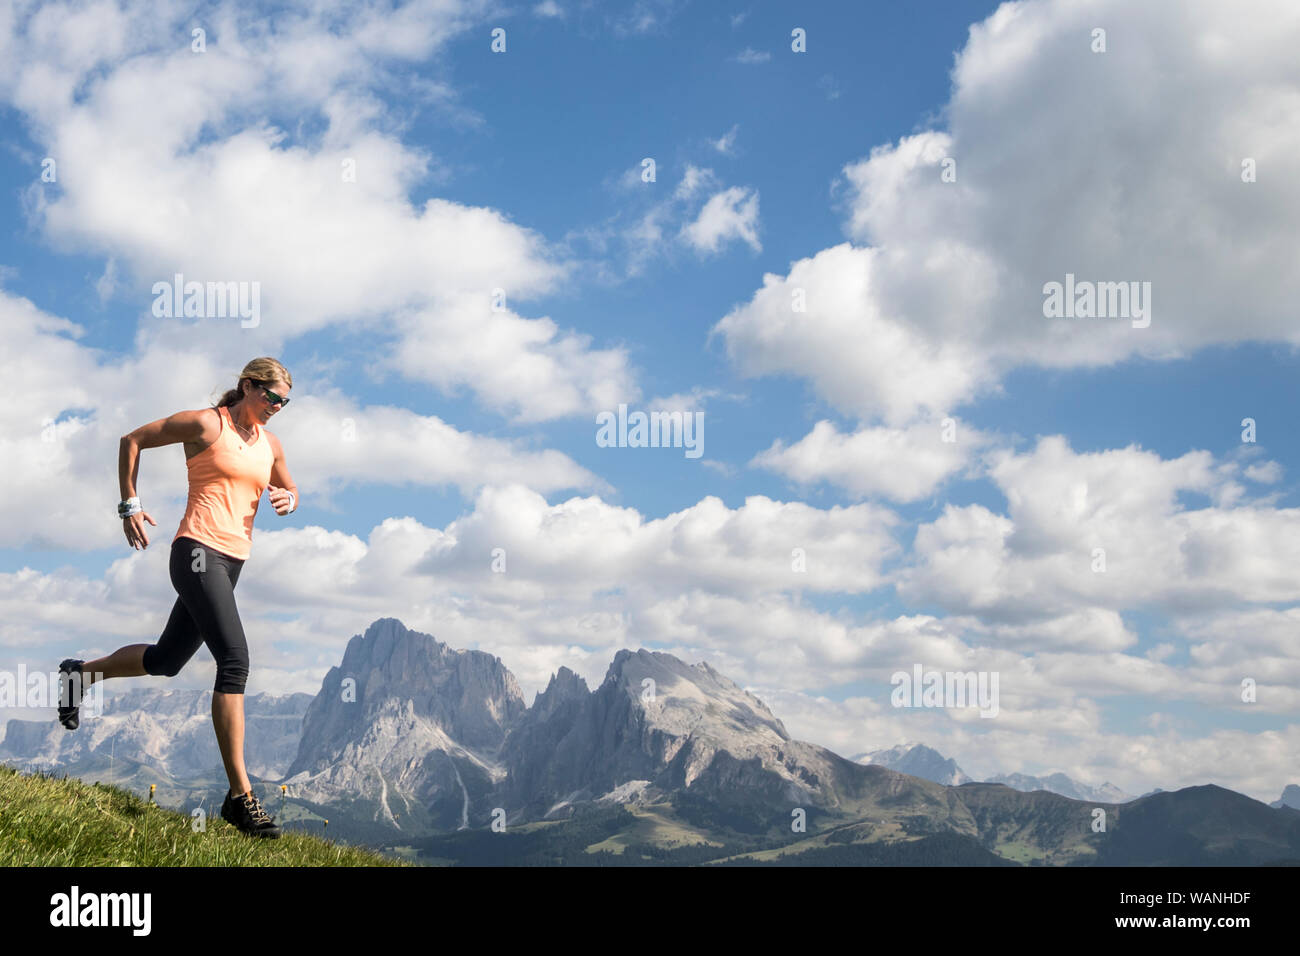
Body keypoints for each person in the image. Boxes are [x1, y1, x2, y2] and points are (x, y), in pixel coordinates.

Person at [57, 356, 299, 839]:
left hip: (232, 562)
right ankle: (240, 799)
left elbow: (288, 486)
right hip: (196, 554)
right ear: (248, 386)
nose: (277, 407)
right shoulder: (207, 424)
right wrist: (130, 505)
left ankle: (79, 676)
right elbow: (133, 440)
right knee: (235, 661)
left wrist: (289, 497)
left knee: (167, 660)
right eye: (271, 397)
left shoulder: (270, 445)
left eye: (284, 402)